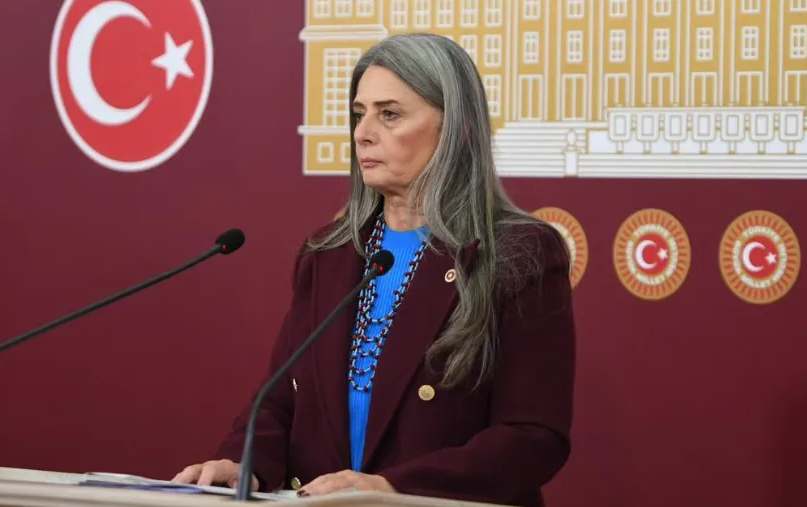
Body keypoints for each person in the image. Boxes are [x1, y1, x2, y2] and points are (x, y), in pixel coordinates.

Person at [172, 33, 576, 507]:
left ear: (457, 129)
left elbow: (532, 437)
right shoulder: (328, 254)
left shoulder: (518, 253)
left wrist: (391, 489)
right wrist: (244, 463)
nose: (362, 133)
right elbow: (280, 401)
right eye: (358, 113)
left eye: (390, 114)